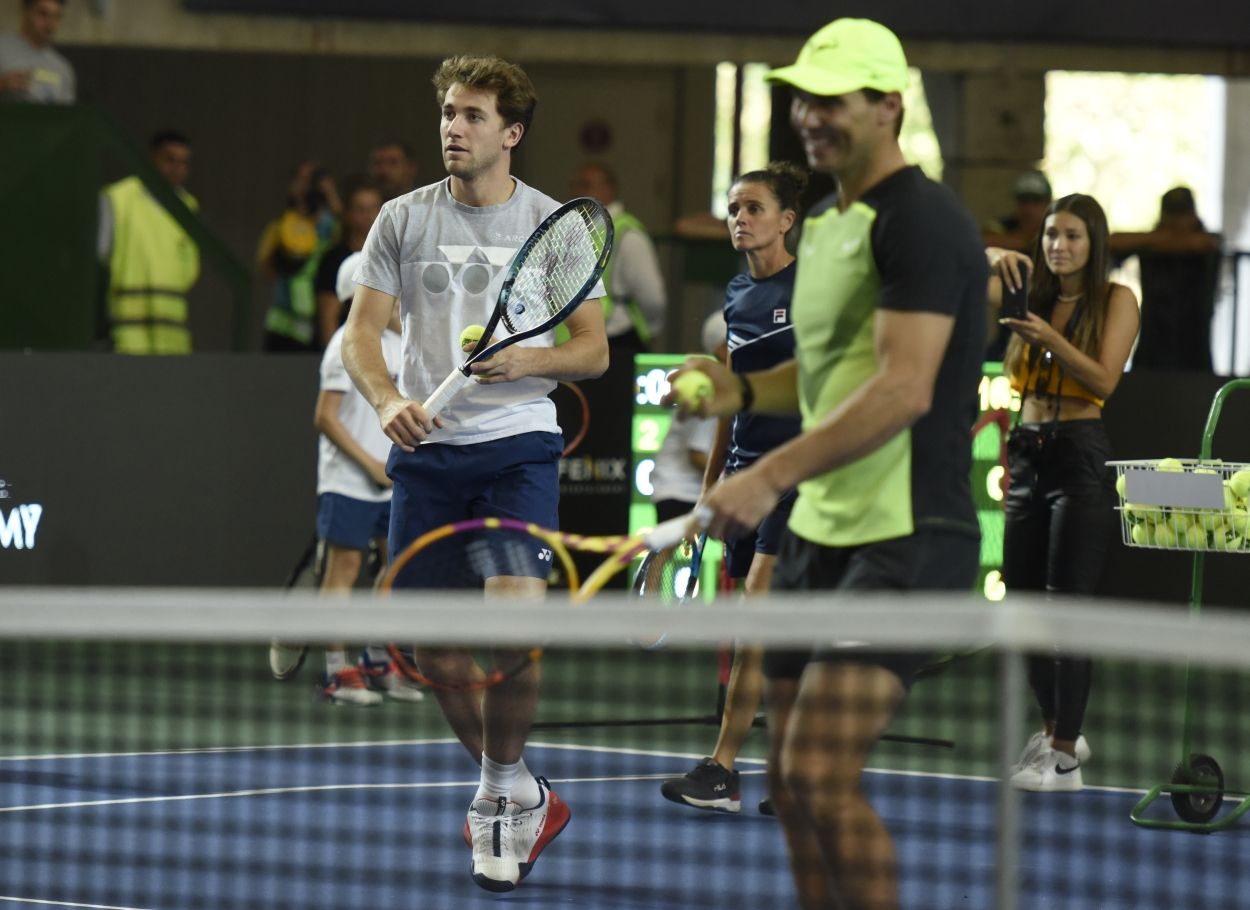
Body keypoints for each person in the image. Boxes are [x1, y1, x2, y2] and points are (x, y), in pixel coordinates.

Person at [666, 19, 987, 910]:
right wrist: (740, 394)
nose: (812, 115)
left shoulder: (922, 221)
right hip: (819, 534)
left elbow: (902, 388)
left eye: (834, 99)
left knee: (817, 771)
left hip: (907, 537)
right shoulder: (834, 225)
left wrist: (766, 475)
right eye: (804, 98)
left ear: (889, 106)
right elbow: (827, 376)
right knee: (794, 783)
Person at [342, 53, 608, 893]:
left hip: (517, 449)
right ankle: (519, 783)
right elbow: (362, 335)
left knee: (514, 631)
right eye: (449, 113)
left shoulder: (550, 228)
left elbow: (593, 350)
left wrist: (535, 357)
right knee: (430, 651)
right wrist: (386, 400)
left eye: (472, 117)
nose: (453, 128)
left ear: (512, 133)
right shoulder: (401, 219)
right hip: (427, 458)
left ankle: (498, 794)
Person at [659, 162, 805, 817]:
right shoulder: (737, 295)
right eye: (732, 208)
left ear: (787, 219)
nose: (738, 217)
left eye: (752, 206)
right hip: (743, 482)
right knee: (764, 635)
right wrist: (709, 488)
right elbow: (729, 400)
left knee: (756, 621)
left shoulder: (816, 293)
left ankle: (725, 768)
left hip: (797, 481)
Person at [992, 193, 1140, 792]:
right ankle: (1057, 733)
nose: (1059, 245)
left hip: (1079, 454)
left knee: (1065, 610)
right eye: (1051, 234)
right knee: (1023, 609)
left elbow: (1104, 378)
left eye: (1072, 235)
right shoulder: (1035, 296)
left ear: (1093, 242)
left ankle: (1064, 759)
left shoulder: (1116, 299)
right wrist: (997, 253)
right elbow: (968, 262)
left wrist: (1047, 336)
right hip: (1026, 451)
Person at [304, 255, 426, 706]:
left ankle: (377, 659)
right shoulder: (344, 343)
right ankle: (337, 673)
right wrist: (367, 466)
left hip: (392, 479)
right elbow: (325, 417)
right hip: (348, 481)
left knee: (394, 572)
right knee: (346, 570)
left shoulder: (400, 344)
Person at [99, 130, 200, 354]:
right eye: (170, 159)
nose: (177, 168)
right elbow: (100, 255)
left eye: (184, 162)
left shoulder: (189, 206)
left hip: (173, 338)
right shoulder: (118, 197)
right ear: (152, 158)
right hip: (126, 333)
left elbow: (190, 267)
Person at [1110, 186, 1221, 371]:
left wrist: (1156, 241)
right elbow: (1113, 241)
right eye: (1173, 215)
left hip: (1193, 347)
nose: (1178, 222)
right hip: (1153, 345)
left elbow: (1203, 243)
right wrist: (1157, 240)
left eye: (1183, 215)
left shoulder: (1206, 243)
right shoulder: (1152, 242)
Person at [570, 161, 666, 354]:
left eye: (587, 185)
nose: (579, 191)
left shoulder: (628, 233)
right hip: (579, 339)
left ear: (609, 188)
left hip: (618, 340)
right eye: (577, 185)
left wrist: (652, 329)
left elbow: (653, 297)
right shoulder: (577, 229)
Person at [257, 161, 341, 352]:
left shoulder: (331, 226)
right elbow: (265, 272)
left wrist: (331, 196)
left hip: (320, 325)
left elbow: (354, 233)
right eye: (303, 180)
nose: (308, 187)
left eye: (314, 180)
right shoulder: (281, 225)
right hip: (283, 328)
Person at [648, 313, 723, 522]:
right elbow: (697, 455)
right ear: (722, 349)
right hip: (680, 492)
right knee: (665, 555)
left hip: (678, 490)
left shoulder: (711, 384)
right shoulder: (709, 389)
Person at [984, 170, 1054, 361]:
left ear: (1048, 203)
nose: (1029, 208)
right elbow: (983, 239)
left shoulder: (1055, 234)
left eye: (1036, 201)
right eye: (1024, 201)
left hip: (1050, 331)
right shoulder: (1005, 226)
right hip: (1009, 332)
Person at [313, 177, 383, 348]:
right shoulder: (334, 260)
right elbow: (328, 318)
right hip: (349, 351)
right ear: (347, 213)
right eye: (360, 209)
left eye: (373, 208)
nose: (367, 216)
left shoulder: (391, 256)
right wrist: (337, 358)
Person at [0, 0, 74, 104]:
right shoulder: (2, 48)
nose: (50, 23)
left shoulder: (62, 67)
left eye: (56, 17)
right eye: (43, 14)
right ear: (25, 12)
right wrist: (3, 85)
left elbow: (69, 116)